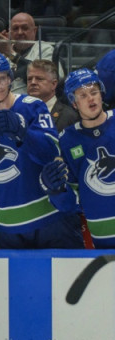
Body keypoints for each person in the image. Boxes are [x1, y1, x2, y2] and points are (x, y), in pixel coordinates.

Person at [0, 52, 83, 249]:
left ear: (10, 78)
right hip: (9, 228)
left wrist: (22, 131)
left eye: (2, 78)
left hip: (50, 220)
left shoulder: (32, 107)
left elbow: (50, 154)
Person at [57, 69, 115, 248]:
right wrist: (56, 191)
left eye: (94, 92)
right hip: (101, 233)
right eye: (82, 95)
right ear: (74, 103)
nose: (91, 98)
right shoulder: (67, 139)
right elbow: (71, 196)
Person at [0, 12, 62, 95]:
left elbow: (46, 78)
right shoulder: (3, 50)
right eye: (15, 28)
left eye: (25, 28)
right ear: (10, 32)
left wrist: (11, 54)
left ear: (34, 31)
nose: (20, 32)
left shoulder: (45, 49)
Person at [26, 59, 78, 132]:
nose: (33, 82)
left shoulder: (69, 116)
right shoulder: (19, 112)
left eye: (39, 79)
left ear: (54, 84)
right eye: (29, 79)